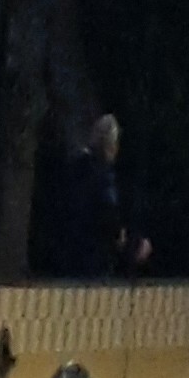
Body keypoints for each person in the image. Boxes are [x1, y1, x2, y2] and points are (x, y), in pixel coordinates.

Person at [50, 113, 152, 279]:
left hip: (67, 253)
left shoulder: (74, 168)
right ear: (111, 145)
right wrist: (130, 242)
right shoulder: (103, 175)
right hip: (94, 257)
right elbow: (108, 213)